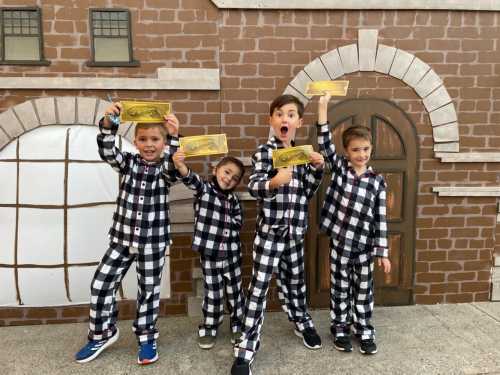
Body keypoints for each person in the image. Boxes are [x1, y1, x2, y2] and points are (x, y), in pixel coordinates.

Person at [75, 101, 180, 365]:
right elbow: (109, 152)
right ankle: (101, 333)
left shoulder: (165, 169)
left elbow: (173, 169)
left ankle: (146, 337)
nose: (149, 144)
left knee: (149, 290)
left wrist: (176, 135)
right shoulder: (129, 163)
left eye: (155, 139)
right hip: (122, 239)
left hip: (152, 243)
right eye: (143, 139)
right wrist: (109, 124)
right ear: (135, 141)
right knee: (101, 284)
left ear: (164, 143)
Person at [231, 94, 325, 375]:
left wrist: (318, 168)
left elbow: (309, 190)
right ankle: (246, 349)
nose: (285, 118)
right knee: (258, 290)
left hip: (295, 234)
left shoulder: (303, 155)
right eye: (280, 114)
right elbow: (253, 187)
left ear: (299, 122)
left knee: (296, 282)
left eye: (291, 114)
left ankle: (301, 322)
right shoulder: (263, 153)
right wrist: (274, 181)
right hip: (270, 234)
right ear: (271, 120)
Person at [316, 93, 391, 355]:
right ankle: (340, 328)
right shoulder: (340, 169)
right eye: (356, 150)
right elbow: (325, 144)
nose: (361, 154)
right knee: (340, 288)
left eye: (366, 149)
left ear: (371, 149)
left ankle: (364, 329)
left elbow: (380, 218)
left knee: (362, 291)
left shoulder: (377, 181)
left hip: (365, 246)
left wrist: (382, 252)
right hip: (340, 243)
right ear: (347, 151)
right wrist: (323, 108)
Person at [172, 151, 246, 350]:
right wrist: (179, 164)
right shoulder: (204, 190)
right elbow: (190, 177)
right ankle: (210, 326)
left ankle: (238, 323)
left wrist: (228, 224)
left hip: (232, 254)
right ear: (216, 170)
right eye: (226, 172)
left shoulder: (234, 201)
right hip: (210, 254)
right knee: (213, 292)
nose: (229, 178)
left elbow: (239, 223)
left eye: (234, 178)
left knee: (235, 292)